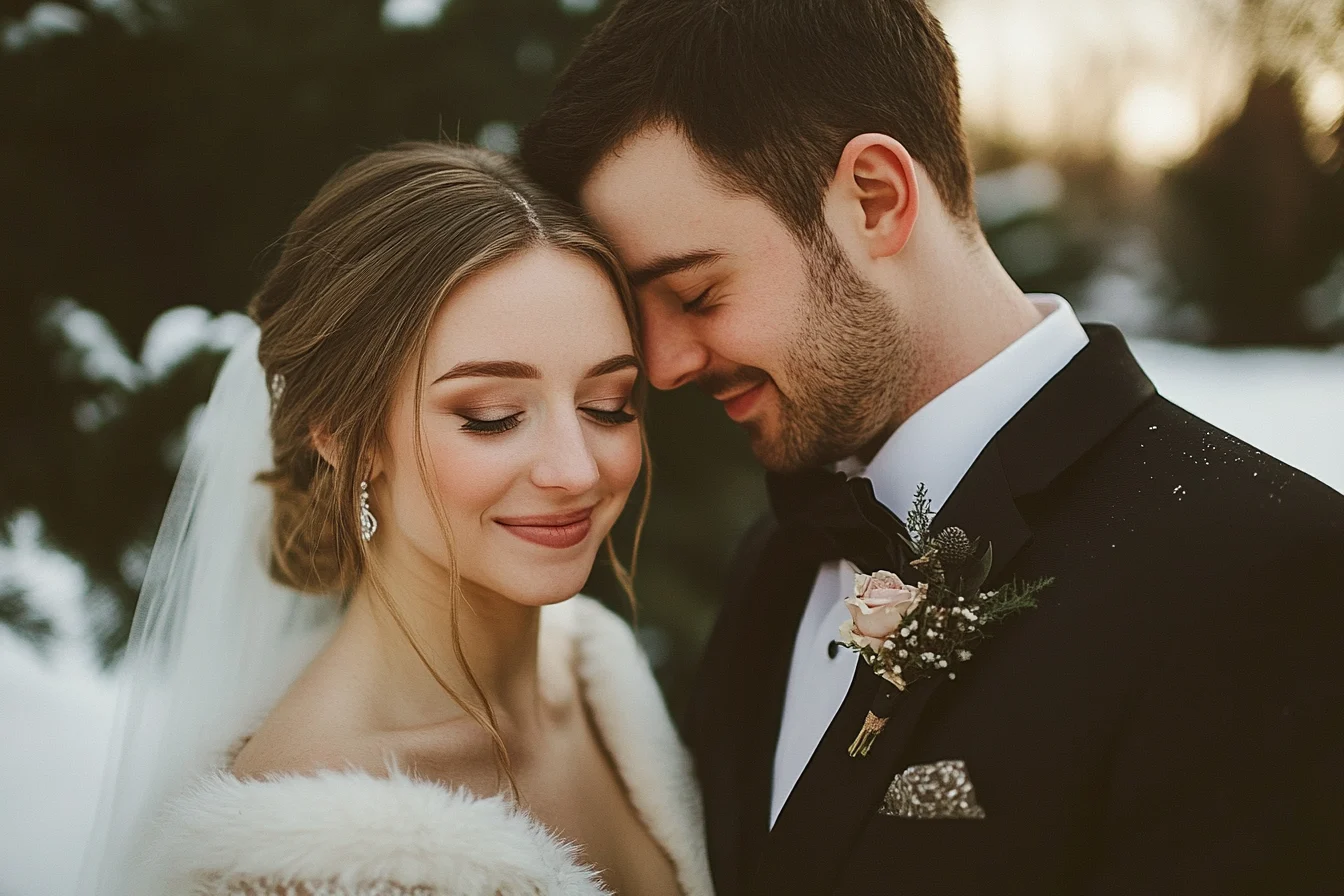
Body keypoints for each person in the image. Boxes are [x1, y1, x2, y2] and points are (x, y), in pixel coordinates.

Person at [520, 1, 1344, 894]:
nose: (667, 366)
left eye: (697, 292)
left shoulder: (1268, 574)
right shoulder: (780, 559)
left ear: (875, 198)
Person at [77, 143, 714, 896]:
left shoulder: (595, 669)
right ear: (342, 434)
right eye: (491, 417)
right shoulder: (294, 864)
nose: (576, 470)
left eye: (609, 405)